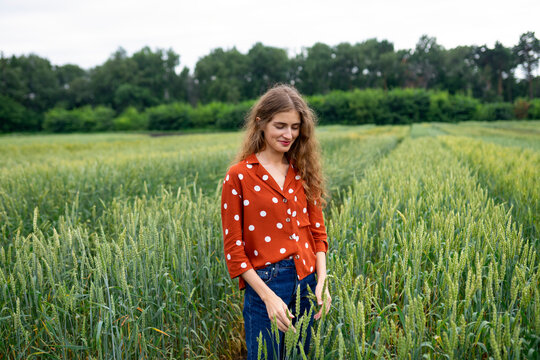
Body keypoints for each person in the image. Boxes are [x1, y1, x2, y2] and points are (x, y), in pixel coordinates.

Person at [220, 84, 331, 359]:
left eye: (295, 127)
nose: (288, 134)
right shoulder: (239, 177)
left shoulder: (303, 170)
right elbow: (234, 251)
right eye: (280, 126)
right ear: (260, 122)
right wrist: (267, 297)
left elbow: (318, 234)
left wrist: (322, 281)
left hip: (307, 281)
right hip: (265, 285)